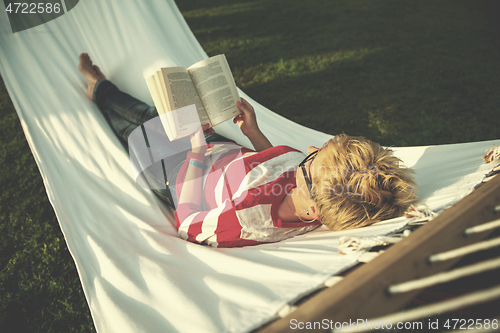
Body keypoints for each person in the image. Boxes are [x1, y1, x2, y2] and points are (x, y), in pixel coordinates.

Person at [78, 53, 417, 248]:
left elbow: (189, 222)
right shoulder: (313, 197)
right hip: (218, 151)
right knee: (160, 115)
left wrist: (196, 152)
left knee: (138, 126)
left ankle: (100, 91)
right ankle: (107, 91)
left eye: (313, 158)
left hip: (177, 173)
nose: (310, 148)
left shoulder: (246, 222)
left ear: (313, 209)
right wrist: (253, 133)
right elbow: (274, 165)